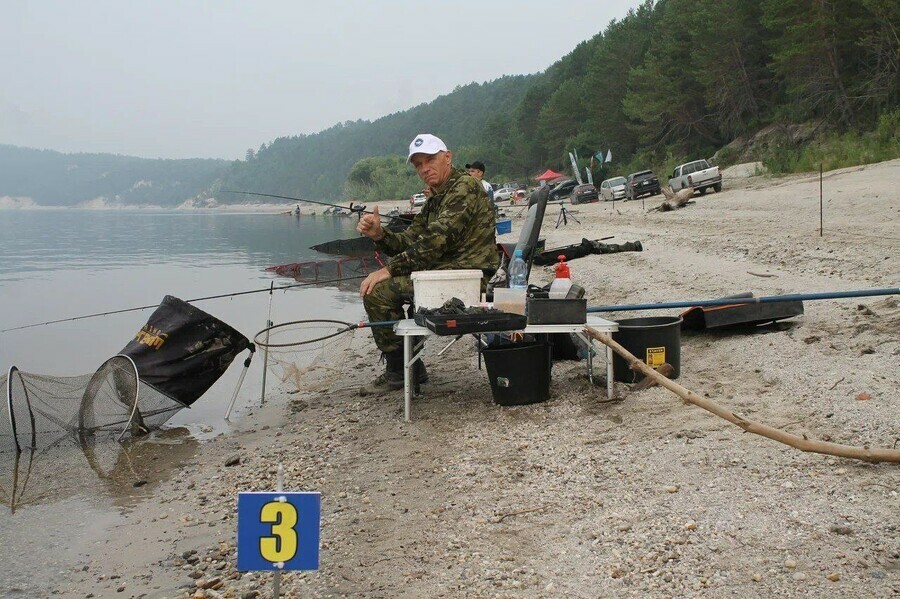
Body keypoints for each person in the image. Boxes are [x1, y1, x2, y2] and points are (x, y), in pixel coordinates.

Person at [356, 134, 498, 395]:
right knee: (382, 286)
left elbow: (435, 241)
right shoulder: (437, 197)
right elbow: (409, 239)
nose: (424, 169)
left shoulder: (464, 187)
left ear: (448, 157)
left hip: (468, 275)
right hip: (446, 272)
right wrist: (379, 234)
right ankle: (409, 365)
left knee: (378, 292)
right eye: (418, 164)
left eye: (430, 160)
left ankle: (401, 371)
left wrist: (388, 270)